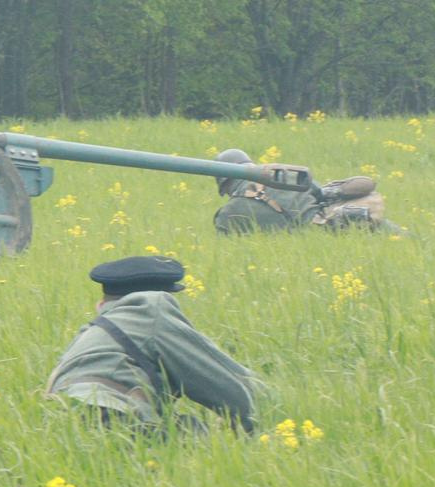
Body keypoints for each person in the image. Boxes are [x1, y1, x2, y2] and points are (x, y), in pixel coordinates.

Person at [45, 254, 257, 433]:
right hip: (112, 417)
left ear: (101, 305)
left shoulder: (90, 333)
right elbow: (229, 387)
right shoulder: (151, 309)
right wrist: (272, 411)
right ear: (164, 297)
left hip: (60, 423)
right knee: (202, 438)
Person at [210, 147, 387, 235]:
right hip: (340, 225)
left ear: (225, 185)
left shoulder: (226, 216)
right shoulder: (284, 175)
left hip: (315, 241)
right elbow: (320, 193)